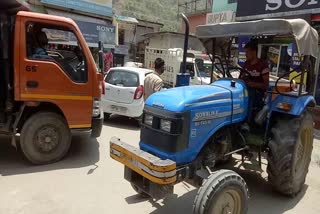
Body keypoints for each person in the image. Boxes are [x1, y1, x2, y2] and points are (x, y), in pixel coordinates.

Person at [240, 41, 270, 124]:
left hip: (258, 94)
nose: (245, 54)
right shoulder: (246, 64)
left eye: (247, 52)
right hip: (246, 89)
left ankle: (246, 122)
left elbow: (265, 85)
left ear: (254, 52)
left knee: (249, 95)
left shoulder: (263, 65)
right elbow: (242, 76)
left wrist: (253, 84)